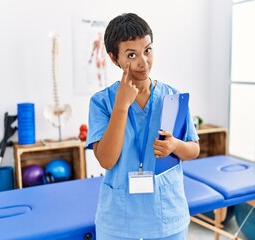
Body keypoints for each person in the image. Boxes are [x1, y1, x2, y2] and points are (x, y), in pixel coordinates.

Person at [86, 13, 200, 240]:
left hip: (168, 218)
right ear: (113, 58)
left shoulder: (172, 97)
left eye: (147, 50)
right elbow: (106, 160)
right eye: (131, 54)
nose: (143, 62)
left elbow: (194, 149)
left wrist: (175, 145)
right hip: (119, 222)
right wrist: (121, 106)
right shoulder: (101, 102)